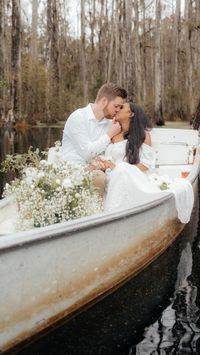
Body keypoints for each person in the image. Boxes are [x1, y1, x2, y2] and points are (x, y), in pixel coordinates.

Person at [61, 83, 127, 197]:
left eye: (120, 107)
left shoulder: (110, 123)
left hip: (100, 167)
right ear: (104, 101)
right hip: (74, 169)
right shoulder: (78, 117)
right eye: (116, 106)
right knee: (99, 178)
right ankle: (97, 212)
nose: (118, 110)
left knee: (122, 174)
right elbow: (87, 153)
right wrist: (109, 135)